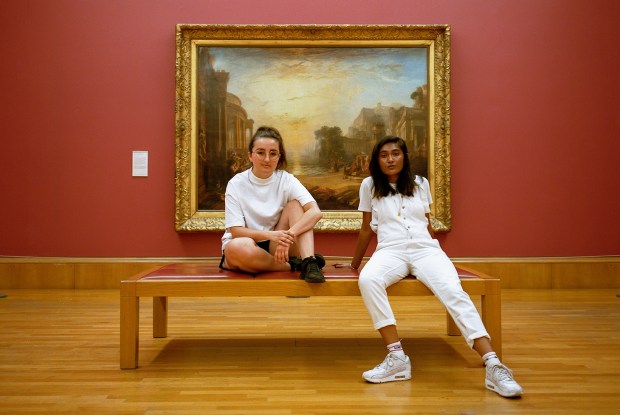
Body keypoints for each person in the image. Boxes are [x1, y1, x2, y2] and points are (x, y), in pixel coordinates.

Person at [345, 136, 523, 398]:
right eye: (384, 155)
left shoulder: (421, 183)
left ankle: (493, 364)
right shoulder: (369, 185)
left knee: (453, 290)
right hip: (390, 251)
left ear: (405, 157)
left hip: (425, 249)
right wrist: (354, 265)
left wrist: (437, 256)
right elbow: (365, 228)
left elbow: (426, 223)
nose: (390, 159)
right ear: (377, 160)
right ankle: (397, 358)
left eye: (395, 153)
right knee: (368, 280)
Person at [220, 126, 326, 283]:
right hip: (246, 245)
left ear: (279, 156)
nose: (267, 159)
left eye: (273, 153)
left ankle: (309, 262)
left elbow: (315, 212)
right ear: (250, 155)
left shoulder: (286, 179)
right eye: (260, 152)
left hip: (277, 245)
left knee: (295, 206)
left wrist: (287, 235)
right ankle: (292, 266)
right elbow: (236, 232)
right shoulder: (236, 183)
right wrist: (271, 235)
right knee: (238, 247)